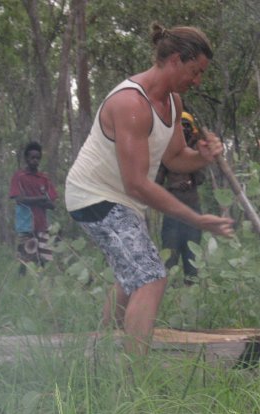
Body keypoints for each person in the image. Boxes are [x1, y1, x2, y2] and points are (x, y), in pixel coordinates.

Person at [65, 23, 234, 355]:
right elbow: (137, 184)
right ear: (174, 60)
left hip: (120, 199)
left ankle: (99, 354)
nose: (198, 81)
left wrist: (203, 157)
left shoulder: (173, 101)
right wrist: (195, 219)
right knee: (150, 277)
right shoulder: (131, 104)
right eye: (195, 71)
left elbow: (174, 159)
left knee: (132, 276)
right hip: (93, 195)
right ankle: (133, 384)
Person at [155, 110, 205, 283]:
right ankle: (172, 299)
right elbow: (156, 184)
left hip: (193, 211)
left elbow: (199, 179)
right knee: (170, 258)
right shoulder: (167, 155)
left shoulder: (195, 153)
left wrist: (192, 153)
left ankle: (193, 297)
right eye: (181, 127)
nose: (184, 130)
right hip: (172, 215)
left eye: (187, 126)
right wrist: (174, 186)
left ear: (192, 130)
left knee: (192, 260)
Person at [9, 141, 57, 274]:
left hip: (42, 226)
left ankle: (43, 289)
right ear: (26, 158)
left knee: (45, 261)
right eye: (32, 157)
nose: (35, 160)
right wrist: (41, 199)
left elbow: (52, 205)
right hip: (26, 225)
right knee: (25, 260)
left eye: (38, 158)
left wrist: (35, 200)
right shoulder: (19, 177)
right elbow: (19, 199)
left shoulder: (44, 179)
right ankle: (21, 286)